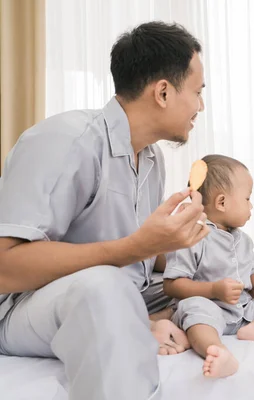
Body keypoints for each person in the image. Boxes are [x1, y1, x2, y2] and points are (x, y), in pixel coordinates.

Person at [0, 21, 210, 399]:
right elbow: (4, 267)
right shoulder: (64, 141)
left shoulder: (151, 159)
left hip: (125, 293)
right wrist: (139, 247)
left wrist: (179, 243)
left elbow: (139, 259)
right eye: (197, 92)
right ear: (163, 91)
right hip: (20, 307)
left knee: (223, 282)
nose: (201, 106)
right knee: (104, 287)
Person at [164, 155, 254, 379]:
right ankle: (216, 350)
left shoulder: (242, 239)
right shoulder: (193, 235)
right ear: (222, 203)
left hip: (244, 312)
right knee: (193, 309)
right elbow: (172, 285)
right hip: (211, 309)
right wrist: (213, 290)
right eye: (247, 199)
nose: (251, 205)